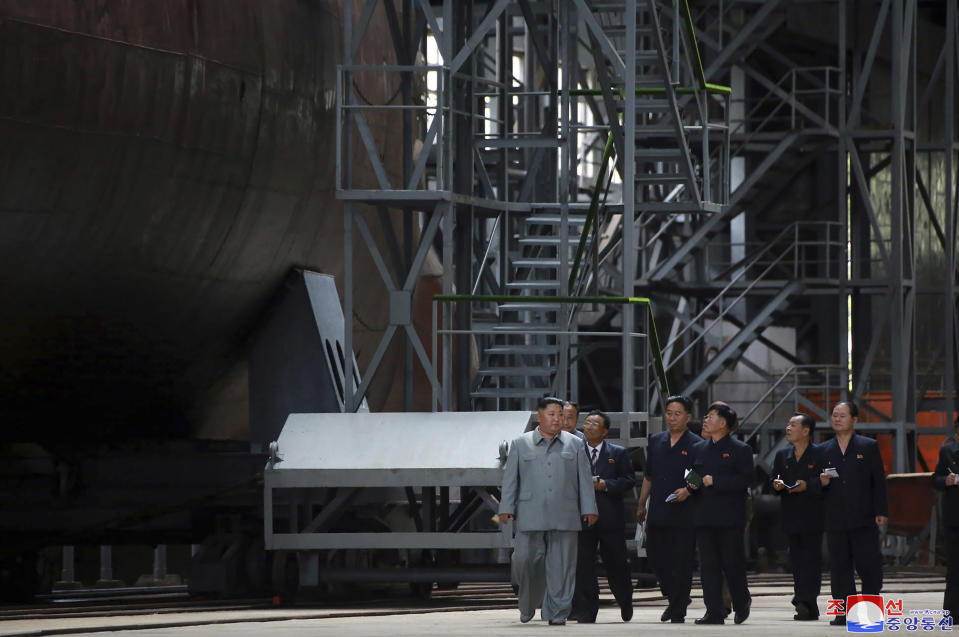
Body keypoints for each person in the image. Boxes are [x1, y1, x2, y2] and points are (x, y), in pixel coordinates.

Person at [499, 396, 598, 625]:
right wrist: (506, 507)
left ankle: (557, 613)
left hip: (565, 514)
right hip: (530, 513)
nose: (557, 419)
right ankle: (527, 602)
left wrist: (589, 508)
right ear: (539, 417)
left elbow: (584, 479)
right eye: (552, 414)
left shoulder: (575, 443)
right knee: (524, 561)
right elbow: (511, 479)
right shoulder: (520, 443)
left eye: (560, 414)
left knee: (562, 567)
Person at [818, 400, 888, 626]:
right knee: (839, 568)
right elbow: (814, 484)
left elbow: (879, 481)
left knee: (868, 566)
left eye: (842, 415)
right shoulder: (823, 449)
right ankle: (843, 612)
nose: (836, 418)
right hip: (835, 517)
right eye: (834, 415)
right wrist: (820, 482)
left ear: (854, 420)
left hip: (864, 517)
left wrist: (881, 510)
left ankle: (871, 612)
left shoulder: (868, 446)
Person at [636, 394, 703, 623]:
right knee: (656, 557)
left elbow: (699, 474)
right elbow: (649, 476)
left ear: (688, 417)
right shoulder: (656, 440)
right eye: (669, 413)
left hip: (684, 513)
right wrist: (641, 504)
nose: (672, 418)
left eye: (677, 414)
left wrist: (689, 489)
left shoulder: (696, 443)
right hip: (658, 510)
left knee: (681, 562)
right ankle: (677, 597)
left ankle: (677, 609)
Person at [690, 402, 753, 625]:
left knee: (732, 563)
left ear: (723, 423)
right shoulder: (699, 448)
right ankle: (714, 611)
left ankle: (742, 600)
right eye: (706, 416)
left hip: (729, 518)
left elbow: (745, 480)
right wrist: (690, 485)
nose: (706, 420)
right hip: (704, 516)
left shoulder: (740, 450)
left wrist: (716, 481)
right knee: (708, 566)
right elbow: (694, 475)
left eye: (711, 416)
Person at [571, 410, 635, 623]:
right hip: (582, 518)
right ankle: (587, 611)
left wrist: (606, 484)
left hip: (609, 518)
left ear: (605, 431)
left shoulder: (618, 453)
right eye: (586, 422)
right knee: (583, 566)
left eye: (594, 424)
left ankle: (625, 599)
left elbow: (628, 480)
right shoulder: (574, 451)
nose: (588, 427)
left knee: (617, 563)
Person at [771, 412, 824, 620]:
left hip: (813, 516)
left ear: (806, 431)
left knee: (812, 560)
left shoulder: (820, 454)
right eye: (788, 424)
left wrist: (807, 486)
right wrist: (777, 485)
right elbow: (774, 478)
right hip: (791, 515)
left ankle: (807, 601)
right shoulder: (782, 456)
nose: (788, 428)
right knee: (797, 561)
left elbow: (827, 482)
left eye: (793, 425)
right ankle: (803, 601)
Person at [932, 417, 959, 619]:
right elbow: (936, 479)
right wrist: (946, 480)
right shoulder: (947, 451)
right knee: (954, 566)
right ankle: (953, 611)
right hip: (954, 517)